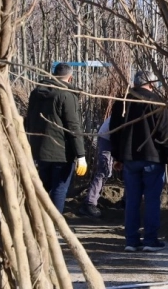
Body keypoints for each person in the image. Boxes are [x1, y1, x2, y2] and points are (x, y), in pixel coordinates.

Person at [110, 69, 168, 252]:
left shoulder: (123, 101)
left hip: (129, 157)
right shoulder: (156, 102)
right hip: (152, 157)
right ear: (152, 84)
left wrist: (117, 156)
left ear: (135, 82)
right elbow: (163, 132)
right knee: (151, 200)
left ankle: (131, 241)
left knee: (132, 200)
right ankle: (150, 240)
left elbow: (115, 131)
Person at [24, 62, 86, 214]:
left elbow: (28, 120)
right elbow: (73, 126)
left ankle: (38, 219)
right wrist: (81, 155)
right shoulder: (66, 95)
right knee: (59, 188)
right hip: (61, 152)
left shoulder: (36, 93)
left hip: (39, 150)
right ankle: (55, 222)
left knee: (43, 187)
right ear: (70, 78)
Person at [79, 103, 114, 219]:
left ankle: (92, 200)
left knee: (107, 171)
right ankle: (89, 203)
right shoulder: (128, 109)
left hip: (112, 137)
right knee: (104, 170)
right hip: (107, 137)